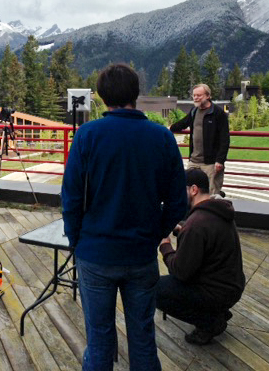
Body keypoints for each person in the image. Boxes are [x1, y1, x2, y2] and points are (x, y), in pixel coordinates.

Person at [62, 63, 187, 371]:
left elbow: (71, 198)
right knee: (143, 337)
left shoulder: (87, 135)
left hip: (95, 254)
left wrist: (78, 240)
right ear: (136, 94)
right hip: (141, 256)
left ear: (103, 98)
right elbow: (177, 202)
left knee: (99, 339)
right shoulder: (161, 138)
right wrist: (156, 233)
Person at [156, 168, 245, 345]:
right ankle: (216, 311)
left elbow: (181, 272)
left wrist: (166, 246)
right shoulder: (217, 212)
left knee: (153, 290)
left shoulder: (196, 224)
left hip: (215, 292)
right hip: (231, 287)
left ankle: (210, 322)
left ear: (193, 189)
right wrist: (183, 232)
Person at [169, 83, 230, 196]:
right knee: (187, 192)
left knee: (212, 194)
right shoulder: (194, 111)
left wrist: (220, 160)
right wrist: (169, 129)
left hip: (211, 164)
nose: (196, 98)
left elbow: (224, 139)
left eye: (199, 95)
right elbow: (183, 123)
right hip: (193, 161)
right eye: (194, 95)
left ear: (207, 96)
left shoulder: (218, 113)